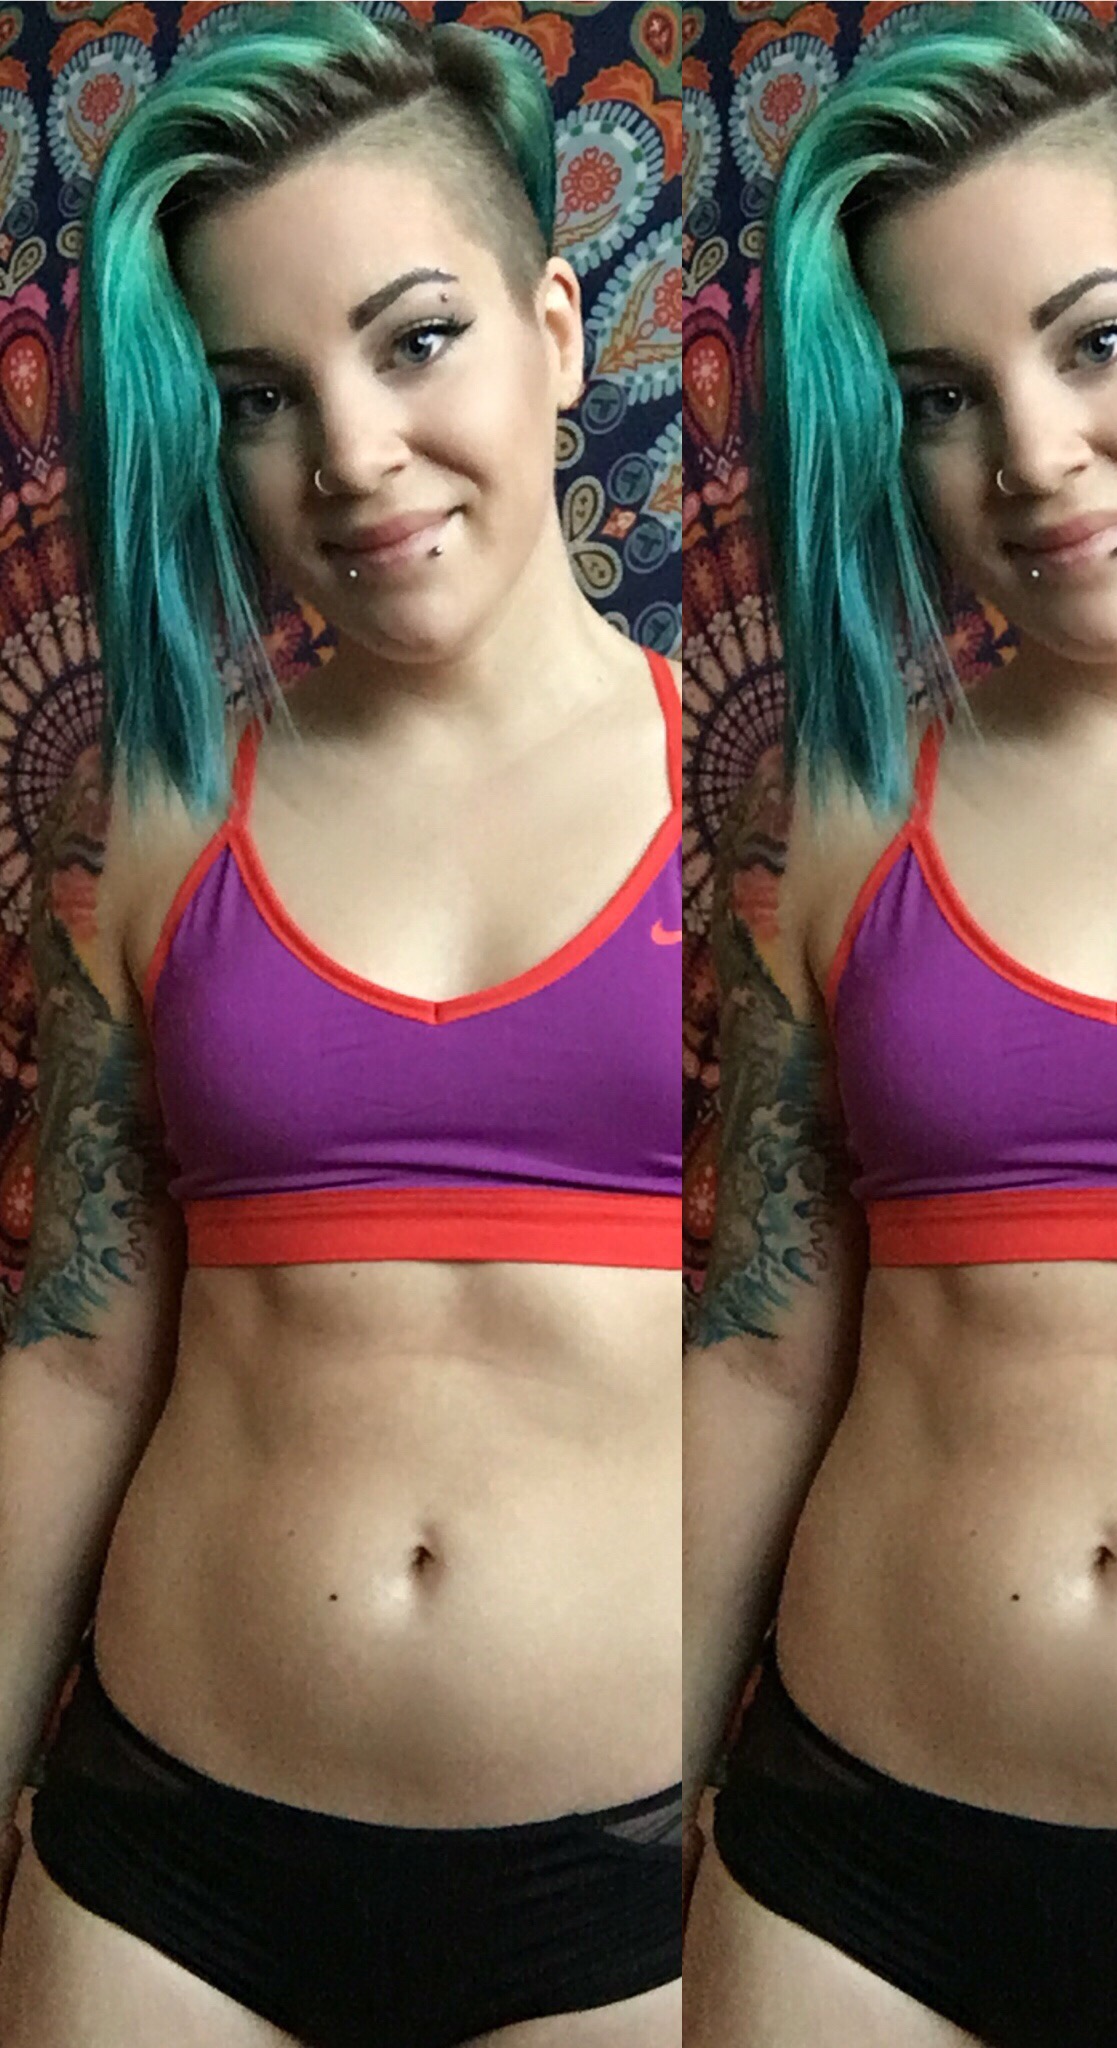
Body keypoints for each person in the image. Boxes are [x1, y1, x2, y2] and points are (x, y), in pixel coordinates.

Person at [676, 9, 1117, 2046]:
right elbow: (764, 1353)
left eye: (1097, 341)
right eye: (941, 396)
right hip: (849, 1874)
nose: (1034, 455)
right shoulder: (839, 820)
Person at [0, 10, 683, 2046]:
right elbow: (78, 1357)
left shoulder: (783, 800)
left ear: (554, 330)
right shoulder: (150, 817)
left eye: (415, 342)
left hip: (615, 1898)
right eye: (260, 396)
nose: (353, 454)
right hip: (165, 1880)